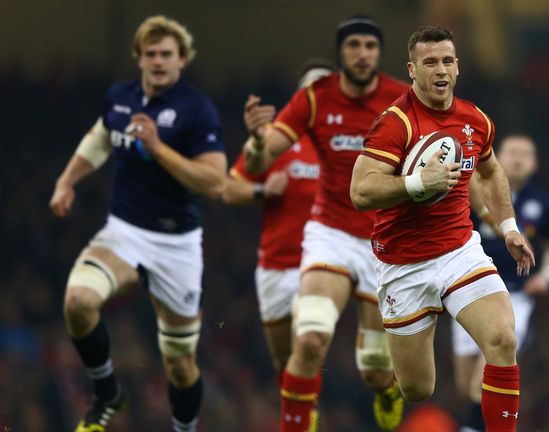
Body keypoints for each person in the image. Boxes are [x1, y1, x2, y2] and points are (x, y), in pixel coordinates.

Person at [350, 26, 535, 432]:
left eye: (447, 61)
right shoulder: (394, 124)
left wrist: (507, 226)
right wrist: (419, 183)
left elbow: (490, 171)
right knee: (418, 389)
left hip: (459, 252)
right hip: (404, 265)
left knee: (504, 340)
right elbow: (361, 191)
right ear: (412, 70)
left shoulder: (474, 119)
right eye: (429, 62)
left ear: (457, 67)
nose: (440, 70)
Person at [49, 15, 226, 432]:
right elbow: (99, 137)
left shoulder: (196, 110)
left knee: (180, 366)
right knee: (78, 302)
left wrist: (158, 149)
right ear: (139, 59)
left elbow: (215, 179)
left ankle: (185, 429)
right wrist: (66, 180)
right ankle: (107, 393)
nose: (158, 61)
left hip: (177, 245)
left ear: (182, 61)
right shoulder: (120, 97)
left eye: (167, 54)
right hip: (124, 233)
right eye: (150, 54)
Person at [241, 15, 410, 432]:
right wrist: (259, 140)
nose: (362, 54)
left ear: (379, 52)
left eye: (370, 46)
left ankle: (387, 389)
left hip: (381, 240)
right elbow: (260, 161)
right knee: (311, 336)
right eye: (353, 45)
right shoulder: (316, 98)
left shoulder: (402, 99)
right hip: (329, 233)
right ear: (341, 53)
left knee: (373, 366)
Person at [222, 59, 332, 380]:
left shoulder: (348, 145)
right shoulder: (276, 138)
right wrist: (261, 191)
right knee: (284, 365)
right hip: (274, 266)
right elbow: (229, 190)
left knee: (309, 342)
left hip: (319, 269)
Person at [453, 135, 549, 432]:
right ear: (497, 157)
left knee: (485, 377)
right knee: (466, 386)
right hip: (468, 291)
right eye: (511, 152)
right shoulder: (475, 191)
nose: (517, 158)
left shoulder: (544, 204)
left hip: (513, 296)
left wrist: (547, 276)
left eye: (524, 154)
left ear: (534, 163)